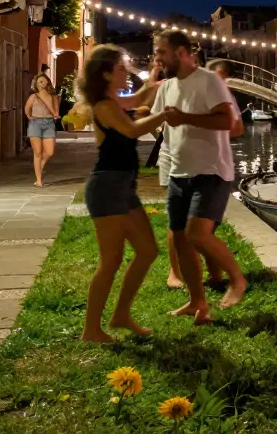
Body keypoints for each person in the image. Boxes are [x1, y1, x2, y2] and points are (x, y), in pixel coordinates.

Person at [151, 31, 246, 324]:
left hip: (211, 170)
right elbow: (158, 120)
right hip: (179, 170)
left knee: (196, 235)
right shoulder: (166, 86)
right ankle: (198, 303)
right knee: (181, 241)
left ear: (181, 52)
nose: (157, 58)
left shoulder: (209, 81)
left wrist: (186, 118)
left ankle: (237, 280)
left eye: (161, 52)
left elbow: (227, 121)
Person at [78, 45, 168, 342]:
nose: (125, 72)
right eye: (120, 68)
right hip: (107, 187)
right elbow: (131, 131)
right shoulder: (104, 105)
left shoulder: (114, 100)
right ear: (105, 73)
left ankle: (121, 315)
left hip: (122, 186)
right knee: (111, 260)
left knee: (147, 251)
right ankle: (91, 330)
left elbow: (142, 98)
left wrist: (156, 79)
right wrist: (165, 115)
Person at [25, 73, 61, 187]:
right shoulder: (33, 96)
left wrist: (56, 115)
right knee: (38, 153)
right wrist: (30, 117)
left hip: (49, 123)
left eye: (45, 81)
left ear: (48, 83)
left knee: (50, 152)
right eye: (40, 81)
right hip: (35, 124)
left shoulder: (53, 96)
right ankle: (39, 180)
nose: (43, 83)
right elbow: (27, 108)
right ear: (36, 83)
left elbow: (56, 110)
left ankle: (39, 167)